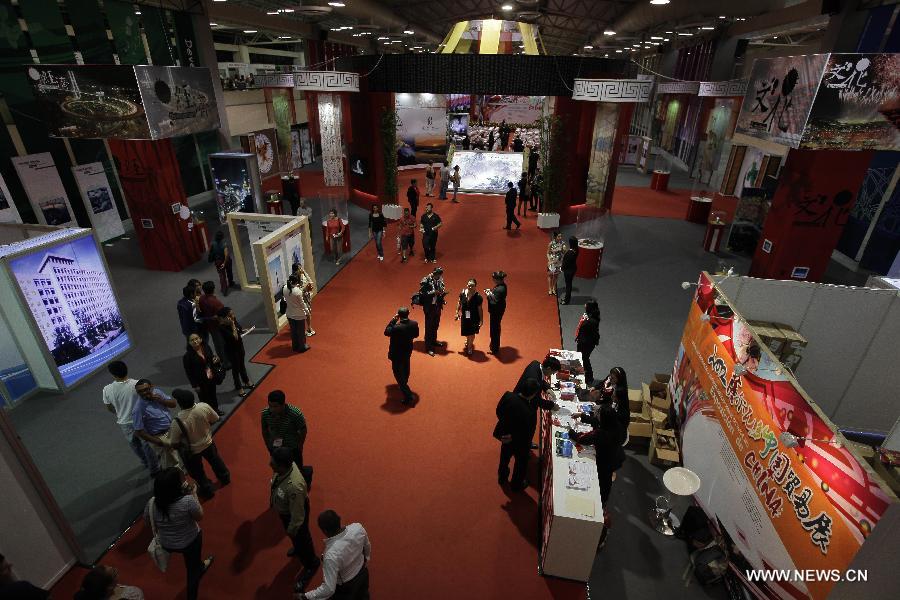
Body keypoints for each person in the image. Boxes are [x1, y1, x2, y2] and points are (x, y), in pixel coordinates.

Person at [144, 468, 213, 600]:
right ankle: (192, 594)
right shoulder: (187, 501)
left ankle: (198, 566)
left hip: (166, 543)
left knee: (192, 560)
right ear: (177, 486)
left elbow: (147, 522)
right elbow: (200, 516)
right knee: (192, 570)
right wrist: (194, 494)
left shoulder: (152, 503)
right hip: (190, 541)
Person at [270, 447, 320, 591]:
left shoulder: (295, 487)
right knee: (297, 539)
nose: (270, 463)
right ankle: (299, 548)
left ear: (282, 465)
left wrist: (292, 529)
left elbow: (298, 515)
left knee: (302, 537)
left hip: (293, 514)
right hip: (287, 511)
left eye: (273, 462)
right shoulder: (284, 470)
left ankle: (312, 563)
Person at [168, 389, 230, 499]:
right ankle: (225, 478)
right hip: (208, 443)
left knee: (198, 473)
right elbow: (215, 419)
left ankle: (207, 490)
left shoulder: (177, 422)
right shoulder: (203, 407)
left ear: (180, 403)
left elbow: (174, 443)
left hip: (192, 452)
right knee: (216, 461)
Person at [295, 510, 371, 600]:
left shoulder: (330, 555)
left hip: (346, 587)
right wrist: (366, 558)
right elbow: (367, 545)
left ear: (324, 530)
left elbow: (329, 589)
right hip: (363, 574)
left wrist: (305, 596)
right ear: (339, 519)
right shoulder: (358, 527)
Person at [568, 405, 625, 503]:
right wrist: (582, 415)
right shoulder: (616, 425)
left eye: (598, 414)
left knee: (602, 486)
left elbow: (581, 439)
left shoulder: (601, 434)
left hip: (606, 462)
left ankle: (601, 504)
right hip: (617, 456)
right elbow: (596, 421)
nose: (596, 415)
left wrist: (570, 430)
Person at [494, 378, 541, 490]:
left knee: (504, 458)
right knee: (520, 464)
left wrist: (506, 428)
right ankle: (516, 484)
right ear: (533, 394)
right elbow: (527, 433)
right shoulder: (529, 412)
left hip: (505, 436)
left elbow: (499, 410)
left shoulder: (508, 396)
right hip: (520, 443)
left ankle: (502, 477)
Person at [103, 361, 149, 471]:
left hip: (124, 423)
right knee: (147, 443)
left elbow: (109, 407)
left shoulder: (107, 389)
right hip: (141, 420)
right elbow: (147, 401)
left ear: (113, 375)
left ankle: (145, 461)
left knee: (135, 445)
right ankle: (154, 463)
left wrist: (119, 412)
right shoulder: (138, 384)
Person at [133, 379, 179, 474]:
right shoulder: (138, 409)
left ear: (152, 387)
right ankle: (179, 485)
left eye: (146, 389)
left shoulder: (157, 392)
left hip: (172, 429)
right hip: (160, 436)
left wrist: (162, 400)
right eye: (140, 391)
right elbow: (139, 431)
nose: (144, 393)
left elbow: (173, 404)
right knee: (170, 465)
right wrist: (159, 442)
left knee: (178, 457)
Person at [262, 390, 308, 471]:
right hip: (276, 447)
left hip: (293, 447)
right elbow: (264, 430)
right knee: (278, 470)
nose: (272, 409)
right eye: (270, 406)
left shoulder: (295, 413)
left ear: (283, 404)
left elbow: (303, 429)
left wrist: (300, 446)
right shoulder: (265, 413)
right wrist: (268, 445)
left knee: (297, 469)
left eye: (275, 406)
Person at [384, 306, 419, 405]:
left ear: (399, 315)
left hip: (396, 353)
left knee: (398, 375)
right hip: (407, 351)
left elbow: (386, 332)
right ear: (408, 314)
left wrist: (393, 320)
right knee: (406, 369)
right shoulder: (414, 324)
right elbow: (416, 335)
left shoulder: (396, 327)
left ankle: (408, 396)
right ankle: (404, 383)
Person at [183, 333, 223, 415]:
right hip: (200, 381)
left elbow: (212, 359)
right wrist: (194, 385)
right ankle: (208, 415)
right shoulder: (187, 356)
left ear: (200, 339)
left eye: (196, 338)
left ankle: (216, 410)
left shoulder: (206, 347)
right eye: (192, 340)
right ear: (189, 343)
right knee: (204, 399)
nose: (195, 341)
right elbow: (189, 372)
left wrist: (217, 360)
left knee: (213, 395)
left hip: (210, 376)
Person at [217, 307, 252, 396]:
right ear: (224, 318)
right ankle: (238, 386)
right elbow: (234, 338)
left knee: (242, 365)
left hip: (240, 347)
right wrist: (232, 325)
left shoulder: (234, 320)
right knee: (236, 369)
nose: (233, 316)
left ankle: (246, 380)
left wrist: (243, 330)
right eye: (230, 315)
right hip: (231, 350)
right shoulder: (222, 328)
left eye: (233, 314)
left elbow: (239, 329)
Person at [419, 267, 447, 356]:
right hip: (429, 307)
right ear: (434, 273)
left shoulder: (440, 279)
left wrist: (442, 294)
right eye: (437, 275)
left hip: (437, 306)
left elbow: (441, 287)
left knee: (435, 325)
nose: (439, 277)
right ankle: (429, 347)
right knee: (429, 327)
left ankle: (434, 341)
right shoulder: (426, 280)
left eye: (440, 275)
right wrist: (433, 292)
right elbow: (422, 293)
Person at [198, 281, 227, 367]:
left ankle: (221, 358)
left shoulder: (201, 298)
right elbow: (222, 316)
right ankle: (226, 362)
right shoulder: (216, 303)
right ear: (213, 289)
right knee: (222, 343)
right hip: (218, 326)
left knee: (216, 343)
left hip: (209, 325)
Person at [75, 565, 143, 600]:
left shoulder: (86, 594)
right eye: (114, 572)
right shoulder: (133, 593)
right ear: (109, 587)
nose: (116, 569)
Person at [575, 300, 601, 384]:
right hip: (584, 341)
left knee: (584, 359)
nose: (585, 305)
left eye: (587, 304)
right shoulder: (589, 316)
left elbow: (590, 334)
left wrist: (581, 340)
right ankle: (586, 376)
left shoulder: (591, 321)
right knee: (584, 359)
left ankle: (589, 378)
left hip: (586, 344)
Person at [283, 275, 311, 353]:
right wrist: (307, 311)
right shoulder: (297, 291)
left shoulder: (285, 288)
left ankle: (295, 346)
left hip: (289, 313)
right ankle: (302, 346)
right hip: (299, 314)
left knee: (293, 331)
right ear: (297, 282)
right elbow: (302, 303)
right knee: (301, 331)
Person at [455, 278, 483, 356]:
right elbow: (459, 302)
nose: (470, 287)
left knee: (472, 332)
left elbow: (480, 309)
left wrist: (481, 320)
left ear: (475, 286)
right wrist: (456, 312)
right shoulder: (463, 293)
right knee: (466, 331)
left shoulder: (478, 297)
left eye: (472, 286)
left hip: (474, 317)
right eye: (469, 285)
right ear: (467, 285)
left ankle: (470, 347)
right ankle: (468, 341)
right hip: (465, 316)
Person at [485, 271, 507, 355]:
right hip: (499, 309)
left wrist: (488, 295)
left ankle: (495, 348)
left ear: (498, 279)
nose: (493, 280)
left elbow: (493, 302)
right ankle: (494, 345)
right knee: (496, 328)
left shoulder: (499, 289)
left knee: (494, 329)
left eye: (494, 278)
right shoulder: (502, 286)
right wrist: (491, 292)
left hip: (496, 311)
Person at [291, 262, 316, 337]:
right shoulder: (294, 278)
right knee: (306, 313)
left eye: (301, 267)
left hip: (306, 296)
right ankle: (308, 328)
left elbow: (310, 281)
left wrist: (304, 272)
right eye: (299, 268)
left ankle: (307, 327)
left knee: (308, 312)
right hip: (300, 298)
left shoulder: (302, 274)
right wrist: (305, 287)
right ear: (296, 270)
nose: (301, 269)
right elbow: (297, 291)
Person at [209, 230, 236, 296]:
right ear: (222, 237)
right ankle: (231, 282)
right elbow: (226, 255)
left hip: (218, 261)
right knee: (229, 271)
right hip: (226, 260)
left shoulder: (213, 243)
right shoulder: (224, 244)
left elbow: (211, 251)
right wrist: (224, 262)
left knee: (221, 275)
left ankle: (224, 289)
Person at [561, 236, 579, 305]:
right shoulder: (576, 249)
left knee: (568, 285)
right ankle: (566, 298)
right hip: (573, 269)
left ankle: (566, 301)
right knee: (569, 284)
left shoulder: (569, 253)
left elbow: (565, 263)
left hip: (568, 271)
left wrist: (561, 268)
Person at [546, 231, 565, 296]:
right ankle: (550, 288)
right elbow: (548, 253)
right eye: (559, 236)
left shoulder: (563, 244)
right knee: (550, 275)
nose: (560, 238)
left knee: (556, 276)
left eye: (561, 236)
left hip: (559, 263)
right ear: (555, 237)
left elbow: (564, 252)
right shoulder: (551, 244)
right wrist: (549, 261)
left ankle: (554, 288)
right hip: (552, 262)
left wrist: (562, 250)